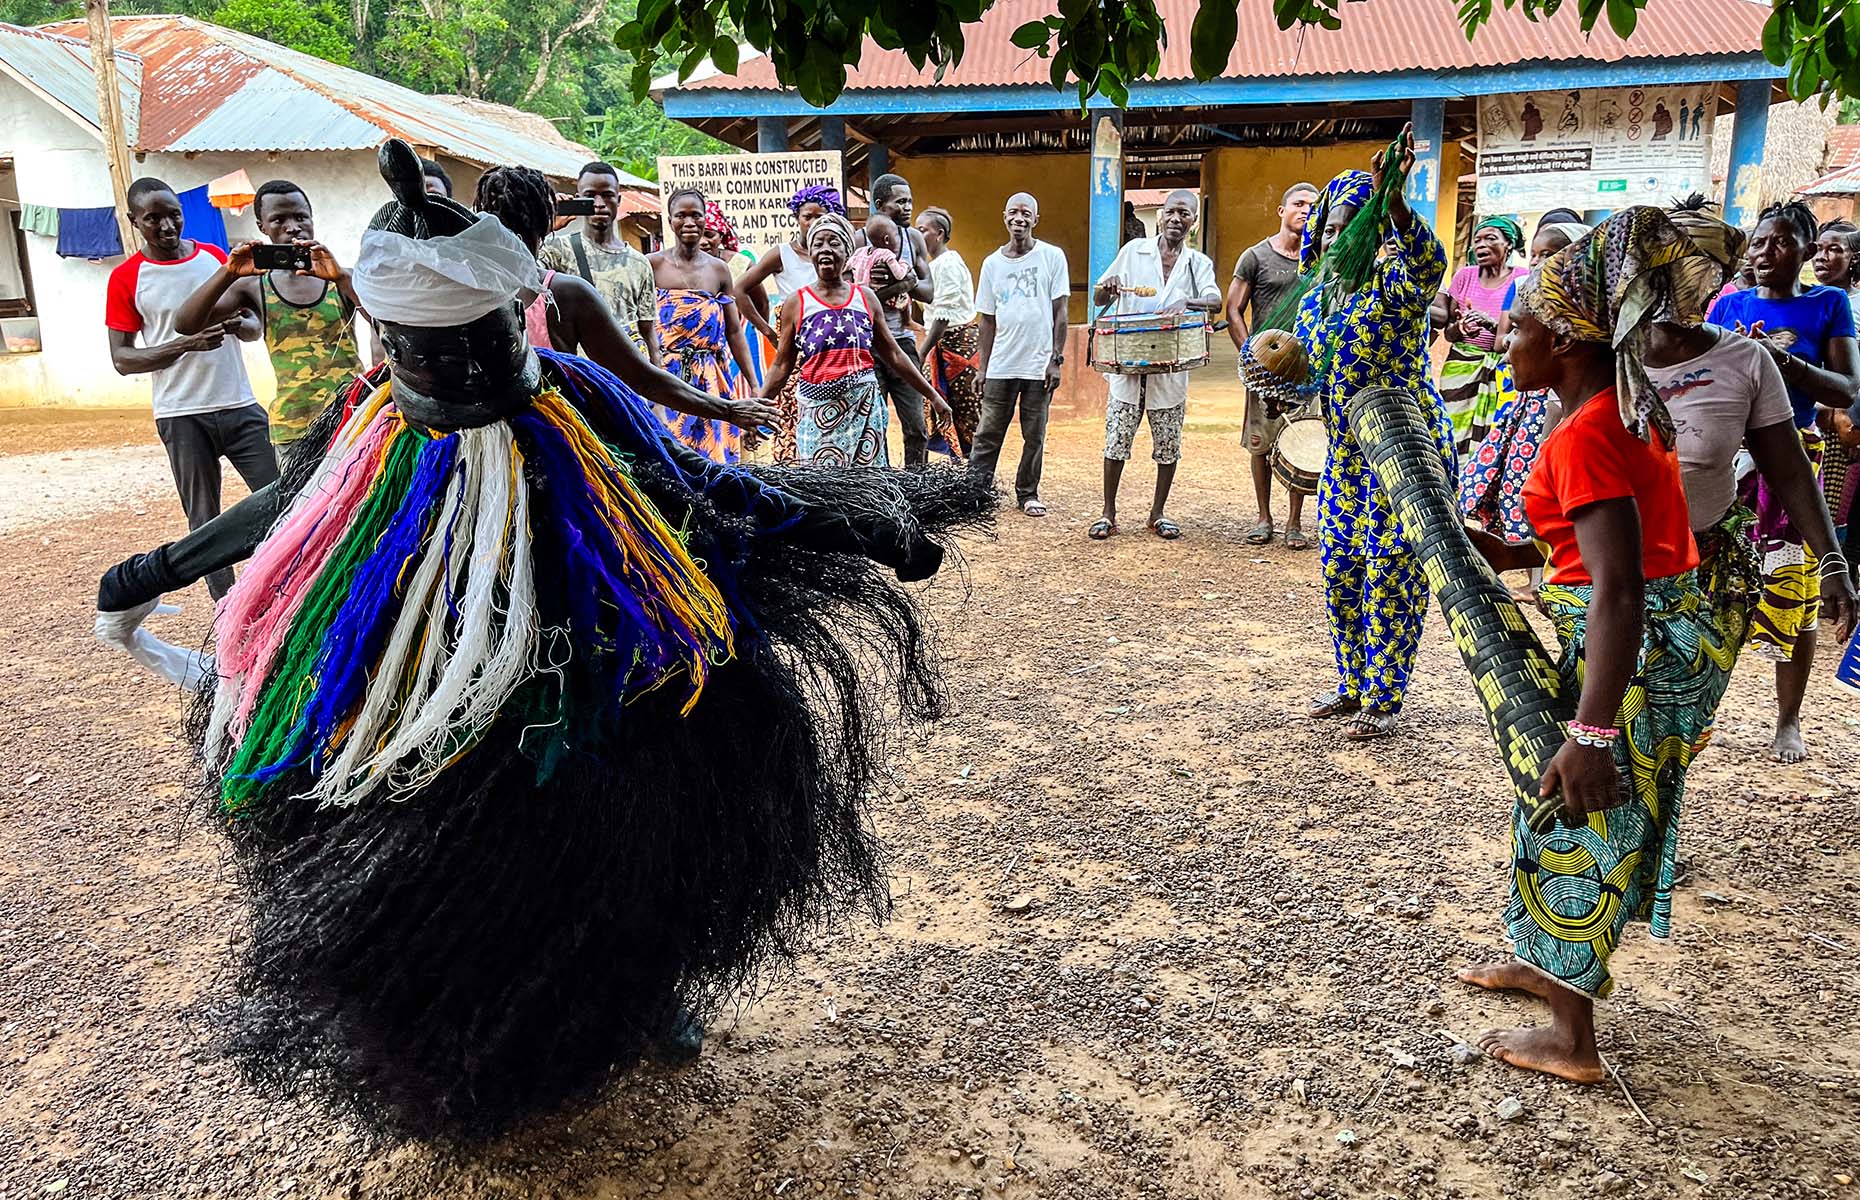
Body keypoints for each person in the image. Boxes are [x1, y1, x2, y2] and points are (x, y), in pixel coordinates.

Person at [88, 139, 992, 1139]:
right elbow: (288, 506)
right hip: (434, 693)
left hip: (595, 682)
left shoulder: (574, 399)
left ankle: (646, 995)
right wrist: (153, 571)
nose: (435, 367)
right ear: (387, 338)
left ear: (499, 324)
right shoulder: (371, 425)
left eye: (454, 346)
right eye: (410, 348)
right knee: (446, 864)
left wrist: (867, 520)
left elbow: (711, 487)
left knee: (633, 843)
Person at [1453, 208, 1748, 1085]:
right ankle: (1543, 966)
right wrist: (1508, 553)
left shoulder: (1586, 430)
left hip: (1633, 648)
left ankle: (1575, 1040)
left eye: (1519, 328)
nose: (1505, 340)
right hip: (1648, 631)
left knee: (1574, 814)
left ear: (1567, 342)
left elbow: (1621, 589)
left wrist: (1590, 733)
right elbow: (1609, 548)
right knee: (1541, 795)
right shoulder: (1619, 406)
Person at [1296, 129, 1451, 741]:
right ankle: (1352, 681)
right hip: (1345, 458)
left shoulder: (1396, 286)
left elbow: (1426, 264)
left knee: (1391, 570)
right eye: (1332, 228)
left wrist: (1394, 205)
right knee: (1340, 569)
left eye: (1354, 228)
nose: (1340, 239)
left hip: (1402, 451)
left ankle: (1384, 696)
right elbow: (1310, 369)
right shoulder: (1316, 303)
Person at [1708, 199, 1860, 762]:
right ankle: (1699, 707)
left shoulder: (1828, 305)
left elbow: (1845, 388)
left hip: (1794, 456)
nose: (1766, 252)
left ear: (1805, 248)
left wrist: (1786, 364)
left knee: (1794, 592)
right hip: (1728, 458)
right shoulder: (1729, 305)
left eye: (1780, 242)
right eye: (1758, 242)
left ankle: (1788, 719)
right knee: (1716, 585)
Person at [474, 165, 779, 439]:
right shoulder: (566, 293)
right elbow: (642, 378)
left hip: (478, 450)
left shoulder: (459, 291)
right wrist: (728, 410)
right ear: (545, 220)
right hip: (554, 444)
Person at [106, 176, 278, 600]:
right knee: (204, 520)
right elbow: (123, 359)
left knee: (286, 500)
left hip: (239, 402)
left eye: (173, 215)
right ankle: (228, 612)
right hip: (181, 413)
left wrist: (244, 325)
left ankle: (286, 592)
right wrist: (187, 344)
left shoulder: (214, 259)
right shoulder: (128, 278)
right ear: (133, 222)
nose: (166, 226)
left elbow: (254, 324)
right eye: (153, 219)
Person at [172, 180, 361, 449]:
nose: (293, 227)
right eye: (278, 220)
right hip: (295, 429)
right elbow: (186, 324)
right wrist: (228, 272)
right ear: (261, 227)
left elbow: (387, 326)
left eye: (300, 217)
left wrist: (342, 277)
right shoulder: (253, 284)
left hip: (353, 420)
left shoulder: (342, 278)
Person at [1458, 217, 1590, 600]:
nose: (1537, 263)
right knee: (1521, 488)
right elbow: (1503, 340)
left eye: (1547, 255)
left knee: (1552, 492)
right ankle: (1535, 574)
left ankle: (1548, 580)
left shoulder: (1582, 314)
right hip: (1529, 404)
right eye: (1534, 255)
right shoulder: (1523, 290)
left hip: (1554, 408)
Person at [761, 212, 950, 467]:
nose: (826, 250)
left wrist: (934, 397)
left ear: (847, 252)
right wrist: (758, 408)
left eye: (834, 243)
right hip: (817, 414)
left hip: (864, 413)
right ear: (812, 253)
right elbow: (782, 365)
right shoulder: (797, 303)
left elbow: (894, 355)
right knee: (822, 489)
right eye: (818, 244)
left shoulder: (866, 298)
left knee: (867, 491)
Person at [1089, 189, 1221, 541]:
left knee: (1168, 445)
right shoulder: (1134, 251)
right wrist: (1109, 285)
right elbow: (1099, 297)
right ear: (1160, 216)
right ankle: (1108, 513)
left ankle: (1158, 513)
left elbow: (1215, 300)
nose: (1177, 219)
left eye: (1185, 214)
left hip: (1171, 368)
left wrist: (1185, 300)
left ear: (1193, 222)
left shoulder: (1197, 263)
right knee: (1116, 441)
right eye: (1172, 212)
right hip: (1129, 362)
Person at [1226, 181, 1318, 548]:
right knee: (1260, 444)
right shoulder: (1255, 257)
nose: (1305, 210)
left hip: (1307, 372)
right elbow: (1233, 308)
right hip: (1265, 370)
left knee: (1302, 441)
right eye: (1298, 203)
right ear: (1282, 210)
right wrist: (1250, 354)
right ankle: (1264, 518)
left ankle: (1295, 522)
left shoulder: (1320, 260)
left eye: (1312, 205)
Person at [972, 192, 1069, 517]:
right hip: (1001, 364)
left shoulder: (1051, 257)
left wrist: (1056, 359)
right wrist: (981, 368)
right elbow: (987, 319)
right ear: (1004, 216)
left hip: (1038, 365)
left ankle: (1027, 493)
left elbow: (1061, 312)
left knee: (1034, 434)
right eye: (1013, 212)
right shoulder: (991, 264)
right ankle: (975, 494)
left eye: (1026, 213)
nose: (1019, 218)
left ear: (1035, 220)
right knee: (987, 434)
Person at [651, 186, 761, 463]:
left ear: (705, 220)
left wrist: (753, 383)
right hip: (667, 377)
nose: (689, 223)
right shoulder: (652, 266)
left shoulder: (719, 270)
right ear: (670, 220)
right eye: (681, 216)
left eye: (696, 216)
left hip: (712, 377)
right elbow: (642, 327)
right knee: (671, 457)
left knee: (714, 461)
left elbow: (734, 331)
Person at [735, 184, 843, 460]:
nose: (814, 222)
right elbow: (740, 289)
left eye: (822, 216)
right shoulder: (782, 254)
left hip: (832, 352)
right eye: (808, 216)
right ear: (797, 217)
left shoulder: (840, 256)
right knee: (793, 411)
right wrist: (768, 330)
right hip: (794, 349)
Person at [538, 161, 660, 365]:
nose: (599, 203)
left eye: (607, 195)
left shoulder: (639, 263)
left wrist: (657, 391)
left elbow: (648, 333)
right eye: (590, 195)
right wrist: (546, 228)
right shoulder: (556, 251)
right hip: (582, 372)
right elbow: (521, 273)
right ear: (578, 199)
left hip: (629, 374)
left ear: (618, 200)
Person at [858, 174, 938, 466]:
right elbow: (854, 297)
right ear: (880, 205)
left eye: (910, 201)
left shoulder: (912, 238)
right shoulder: (860, 241)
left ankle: (916, 485)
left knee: (916, 426)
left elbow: (928, 292)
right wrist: (900, 286)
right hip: (868, 345)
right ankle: (882, 488)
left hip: (902, 343)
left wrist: (905, 284)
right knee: (872, 427)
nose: (907, 208)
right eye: (900, 202)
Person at [1433, 215, 1529, 451]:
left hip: (1501, 369)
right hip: (1460, 367)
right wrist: (1460, 328)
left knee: (1491, 436)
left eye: (1491, 238)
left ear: (1509, 245)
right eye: (1477, 240)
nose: (1481, 245)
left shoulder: (1521, 280)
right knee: (1451, 431)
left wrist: (1491, 325)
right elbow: (1449, 334)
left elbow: (1523, 330)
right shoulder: (1464, 276)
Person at [917, 206, 982, 458]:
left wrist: (921, 353)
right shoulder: (935, 266)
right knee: (942, 410)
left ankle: (975, 478)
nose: (917, 235)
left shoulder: (948, 264)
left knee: (966, 414)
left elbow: (942, 317)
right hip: (943, 346)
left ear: (939, 234)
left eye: (923, 230)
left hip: (958, 346)